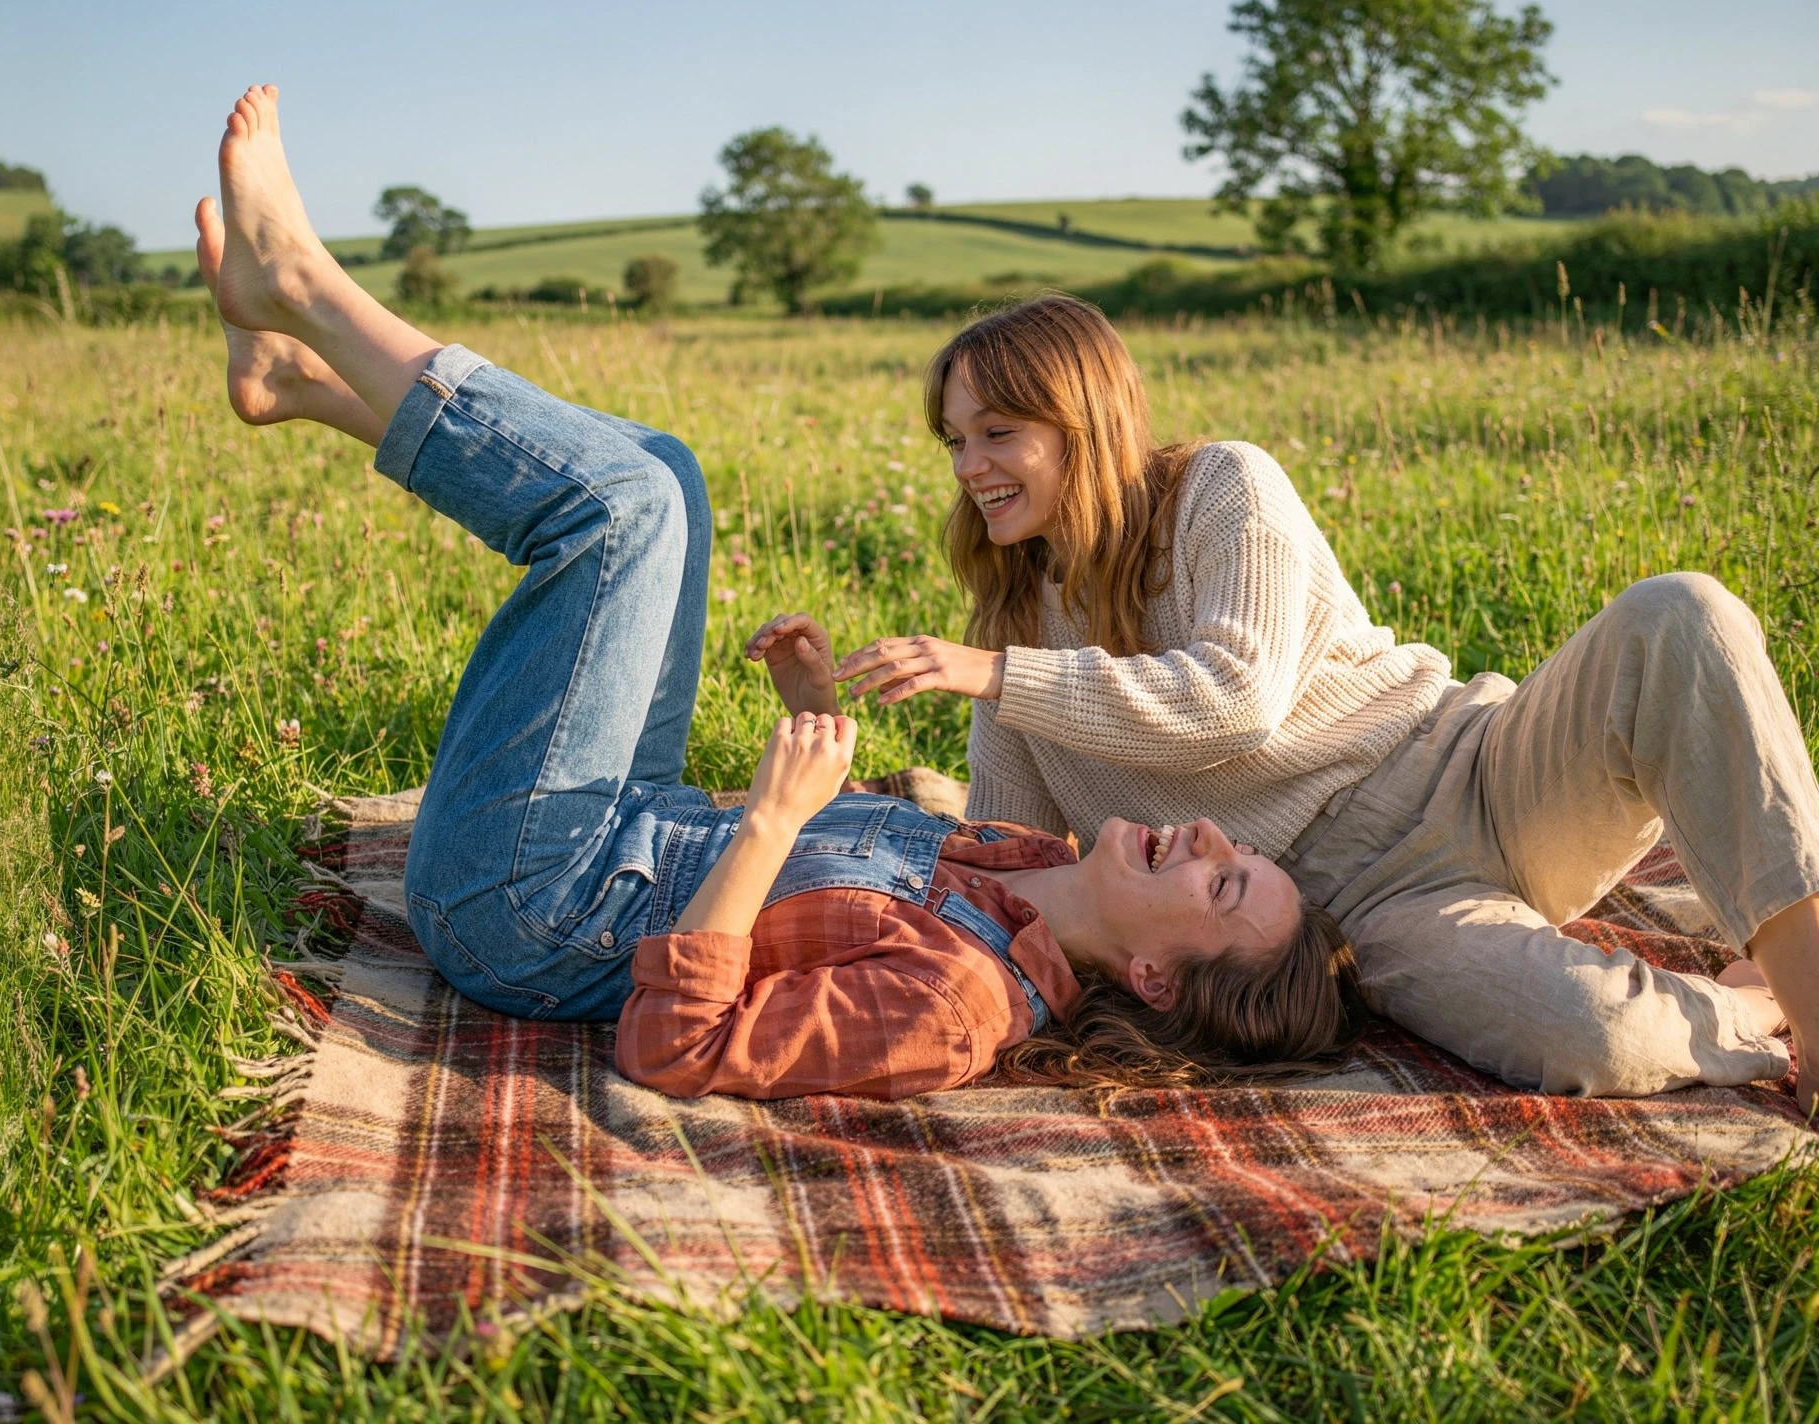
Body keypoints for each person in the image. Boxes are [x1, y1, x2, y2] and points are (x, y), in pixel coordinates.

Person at [190, 86, 1362, 1099]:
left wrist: (770, 816)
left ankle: (299, 282)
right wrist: (819, 732)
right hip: (619, 832)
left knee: (622, 514)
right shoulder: (1016, 853)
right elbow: (830, 881)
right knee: (671, 478)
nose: (1210, 832)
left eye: (1223, 877)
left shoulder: (960, 1003)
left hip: (525, 903)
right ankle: (305, 379)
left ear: (1154, 978)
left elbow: (673, 1043)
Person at [763, 293, 1819, 1106]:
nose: (969, 467)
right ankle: (1743, 1003)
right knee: (1591, 1031)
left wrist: (993, 671)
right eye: (954, 441)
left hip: (1476, 768)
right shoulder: (1017, 632)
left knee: (1680, 611)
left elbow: (1239, 699)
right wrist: (830, 755)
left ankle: (1810, 987)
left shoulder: (1221, 487)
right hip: (1352, 911)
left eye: (995, 432)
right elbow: (1027, 859)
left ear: (1077, 420)